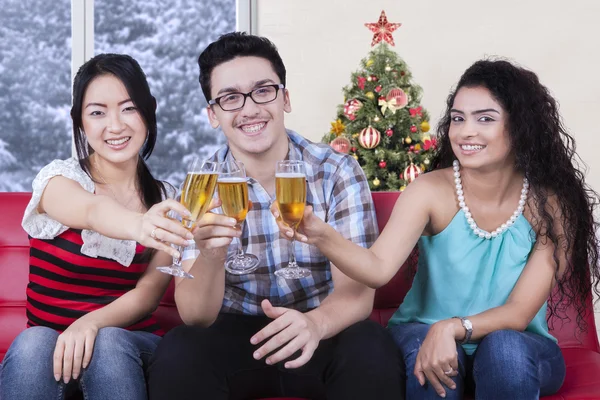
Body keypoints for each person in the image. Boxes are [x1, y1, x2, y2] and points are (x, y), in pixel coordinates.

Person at [277, 59, 600, 399]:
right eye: (458, 118)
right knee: (425, 353)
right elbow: (377, 269)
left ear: (521, 127)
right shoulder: (429, 191)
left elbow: (519, 313)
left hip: (519, 347)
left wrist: (452, 327)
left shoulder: (551, 207)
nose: (465, 131)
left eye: (485, 118)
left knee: (504, 350)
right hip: (424, 333)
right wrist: (319, 232)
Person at [147, 32, 404, 400]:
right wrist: (211, 254)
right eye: (231, 98)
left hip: (322, 328)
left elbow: (357, 295)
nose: (249, 109)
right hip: (237, 333)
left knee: (371, 346)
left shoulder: (336, 171)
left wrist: (315, 324)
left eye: (263, 90)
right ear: (213, 115)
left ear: (285, 98)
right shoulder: (201, 186)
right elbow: (195, 316)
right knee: (179, 350)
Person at [0, 53, 193, 400]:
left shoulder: (166, 200)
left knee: (109, 341)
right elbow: (91, 210)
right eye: (98, 112)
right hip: (49, 349)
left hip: (128, 345)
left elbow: (148, 295)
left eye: (129, 108)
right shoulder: (59, 180)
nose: (115, 125)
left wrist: (90, 323)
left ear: (149, 111)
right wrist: (140, 225)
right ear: (81, 122)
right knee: (34, 341)